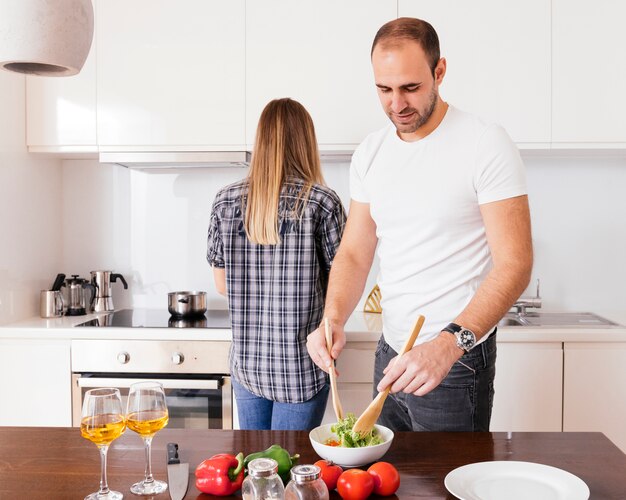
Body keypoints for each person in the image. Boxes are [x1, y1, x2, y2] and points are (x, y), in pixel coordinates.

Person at [307, 18, 533, 432]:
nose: (397, 104)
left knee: (445, 488)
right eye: (384, 89)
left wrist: (448, 346)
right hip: (390, 352)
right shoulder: (372, 152)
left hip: (455, 363)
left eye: (410, 88)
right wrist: (333, 317)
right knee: (388, 482)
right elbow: (356, 251)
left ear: (439, 72)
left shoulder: (485, 143)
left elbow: (515, 264)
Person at [207, 98, 347, 430]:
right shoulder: (322, 202)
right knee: (293, 473)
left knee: (257, 470)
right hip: (301, 368)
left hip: (248, 365)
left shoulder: (225, 201)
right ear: (307, 143)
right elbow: (342, 281)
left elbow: (223, 284)